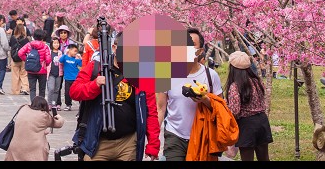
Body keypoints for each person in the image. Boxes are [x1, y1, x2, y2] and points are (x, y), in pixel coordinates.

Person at [68, 31, 160, 160]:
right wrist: (95, 85)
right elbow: (74, 92)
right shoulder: (96, 67)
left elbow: (150, 112)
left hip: (128, 143)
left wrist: (153, 145)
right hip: (97, 142)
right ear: (114, 48)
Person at [157, 26, 223, 161]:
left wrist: (204, 99)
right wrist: (153, 139)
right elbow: (160, 108)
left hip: (204, 135)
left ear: (200, 51)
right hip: (175, 135)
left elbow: (221, 108)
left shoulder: (211, 76)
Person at [226, 51, 272, 162]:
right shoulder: (257, 81)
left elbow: (235, 111)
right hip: (262, 121)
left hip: (247, 125)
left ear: (232, 68)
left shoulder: (235, 86)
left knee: (247, 158)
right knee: (264, 158)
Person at [4, 96, 65, 161]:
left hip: (15, 149)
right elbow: (59, 124)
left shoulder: (23, 108)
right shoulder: (44, 115)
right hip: (33, 151)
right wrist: (58, 117)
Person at [20, 29, 53, 103]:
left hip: (31, 70)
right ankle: (41, 105)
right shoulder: (45, 46)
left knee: (32, 89)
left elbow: (20, 53)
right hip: (42, 71)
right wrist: (44, 64)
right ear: (42, 37)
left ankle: (33, 104)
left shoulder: (29, 45)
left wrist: (26, 60)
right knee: (42, 89)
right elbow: (48, 59)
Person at [8, 22, 31, 96]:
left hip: (14, 58)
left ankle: (15, 90)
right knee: (24, 74)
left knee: (15, 75)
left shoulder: (13, 38)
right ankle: (25, 88)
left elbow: (10, 46)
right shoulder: (26, 39)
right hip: (23, 58)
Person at [58, 43, 82, 111]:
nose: (75, 53)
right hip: (67, 78)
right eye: (74, 51)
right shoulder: (65, 57)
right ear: (70, 50)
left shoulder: (76, 59)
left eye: (76, 51)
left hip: (75, 78)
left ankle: (81, 104)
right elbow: (60, 60)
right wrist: (65, 53)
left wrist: (80, 58)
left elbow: (81, 65)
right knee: (67, 92)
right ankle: (68, 105)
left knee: (78, 92)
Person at [46, 35, 64, 109]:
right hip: (51, 73)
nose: (56, 44)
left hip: (59, 73)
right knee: (51, 88)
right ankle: (49, 103)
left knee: (57, 90)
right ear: (51, 44)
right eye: (54, 43)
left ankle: (54, 103)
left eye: (57, 43)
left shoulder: (60, 53)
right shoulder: (49, 52)